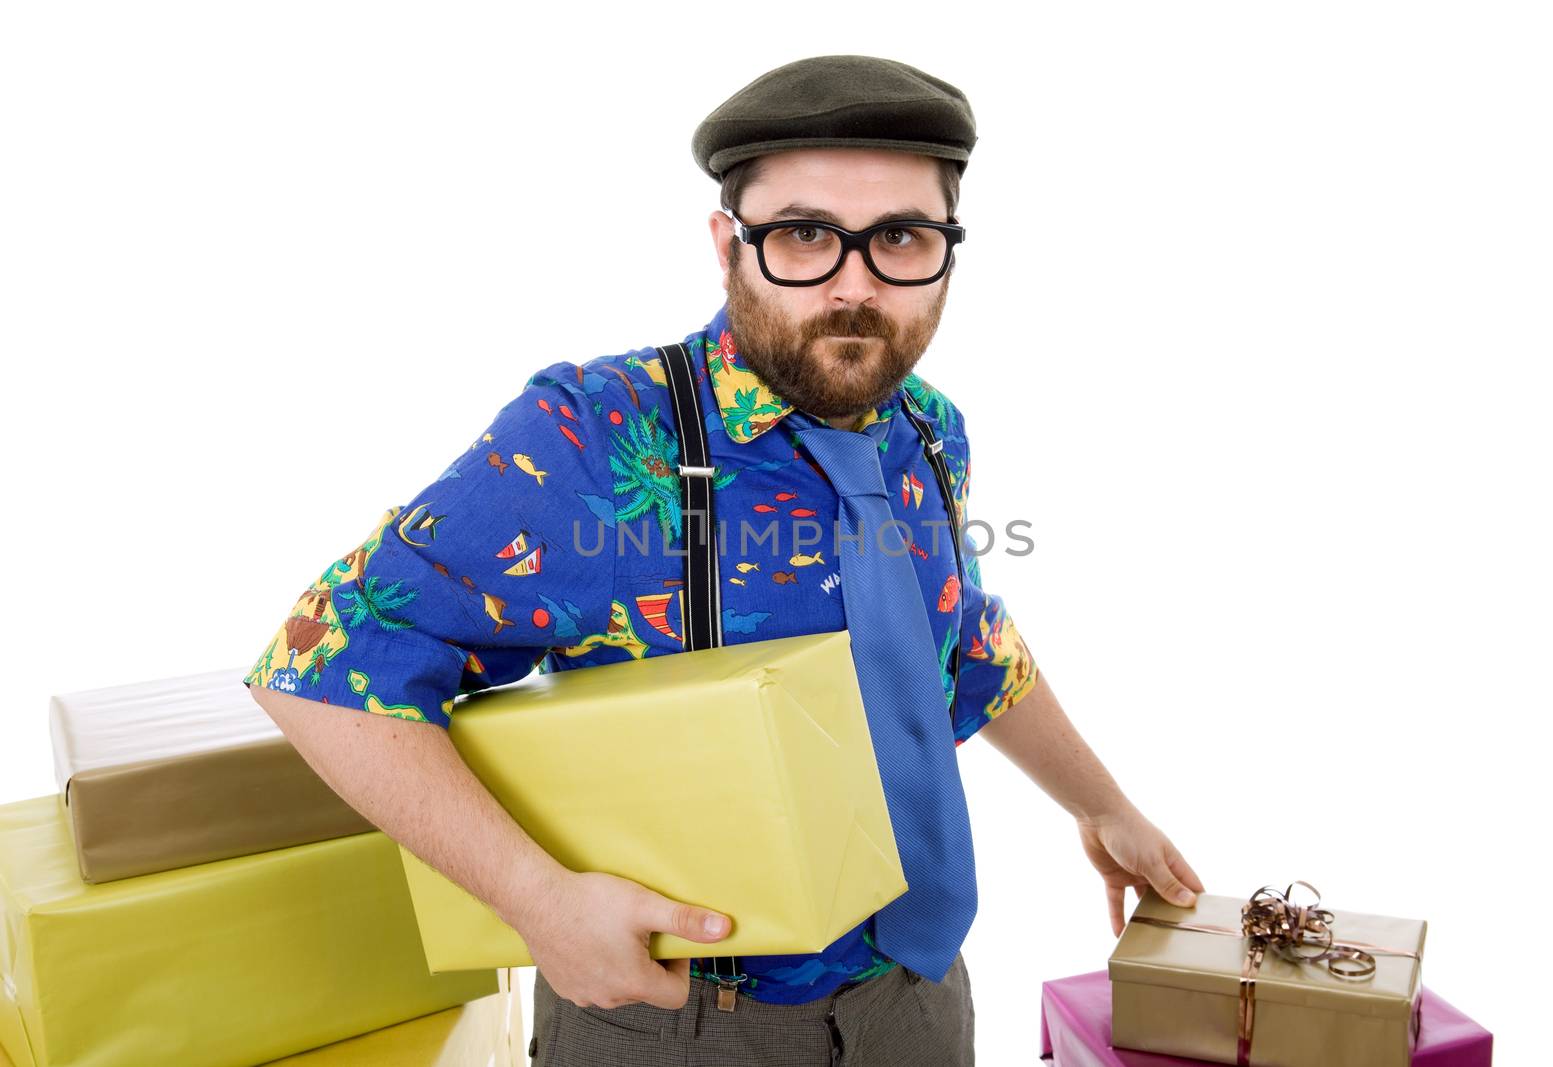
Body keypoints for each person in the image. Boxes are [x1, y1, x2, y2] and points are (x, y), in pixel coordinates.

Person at [245, 53, 1204, 1066]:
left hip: (919, 999)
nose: (853, 284)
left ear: (947, 253)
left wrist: (1105, 806)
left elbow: (960, 635)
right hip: (681, 1021)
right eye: (802, 234)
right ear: (728, 244)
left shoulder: (927, 430)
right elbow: (322, 666)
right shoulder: (596, 434)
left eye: (899, 238)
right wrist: (536, 899)